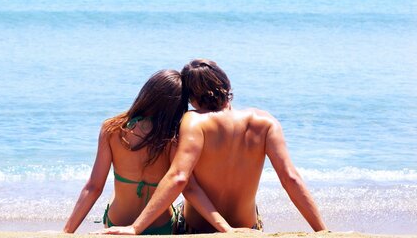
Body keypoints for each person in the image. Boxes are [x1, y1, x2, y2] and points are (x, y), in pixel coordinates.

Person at [101, 59, 328, 234]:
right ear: (227, 85)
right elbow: (291, 179)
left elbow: (179, 177)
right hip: (248, 226)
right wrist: (322, 231)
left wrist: (136, 227)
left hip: (195, 227)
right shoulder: (266, 122)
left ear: (192, 100)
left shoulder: (193, 121)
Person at [63, 69, 241, 234]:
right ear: (178, 105)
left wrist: (66, 232)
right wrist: (225, 228)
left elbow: (94, 187)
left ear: (147, 94)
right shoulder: (174, 137)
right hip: (161, 226)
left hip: (117, 222)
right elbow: (190, 188)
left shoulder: (112, 129)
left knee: (116, 192)